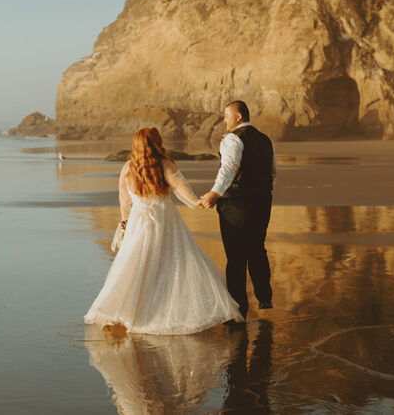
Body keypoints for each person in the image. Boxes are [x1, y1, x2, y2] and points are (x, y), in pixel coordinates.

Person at [85, 127, 242, 334]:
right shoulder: (165, 164)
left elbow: (124, 200)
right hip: (165, 222)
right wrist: (198, 202)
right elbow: (181, 188)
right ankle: (166, 311)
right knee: (175, 266)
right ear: (155, 143)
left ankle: (126, 312)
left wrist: (124, 223)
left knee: (134, 268)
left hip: (138, 224)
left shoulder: (128, 168)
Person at [199, 100, 276, 318]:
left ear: (238, 117)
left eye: (226, 115)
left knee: (236, 256)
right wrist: (263, 192)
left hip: (235, 203)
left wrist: (215, 193)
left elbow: (228, 169)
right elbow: (273, 171)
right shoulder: (265, 140)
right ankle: (264, 296)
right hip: (262, 201)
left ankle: (237, 307)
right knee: (257, 247)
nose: (224, 119)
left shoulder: (232, 139)